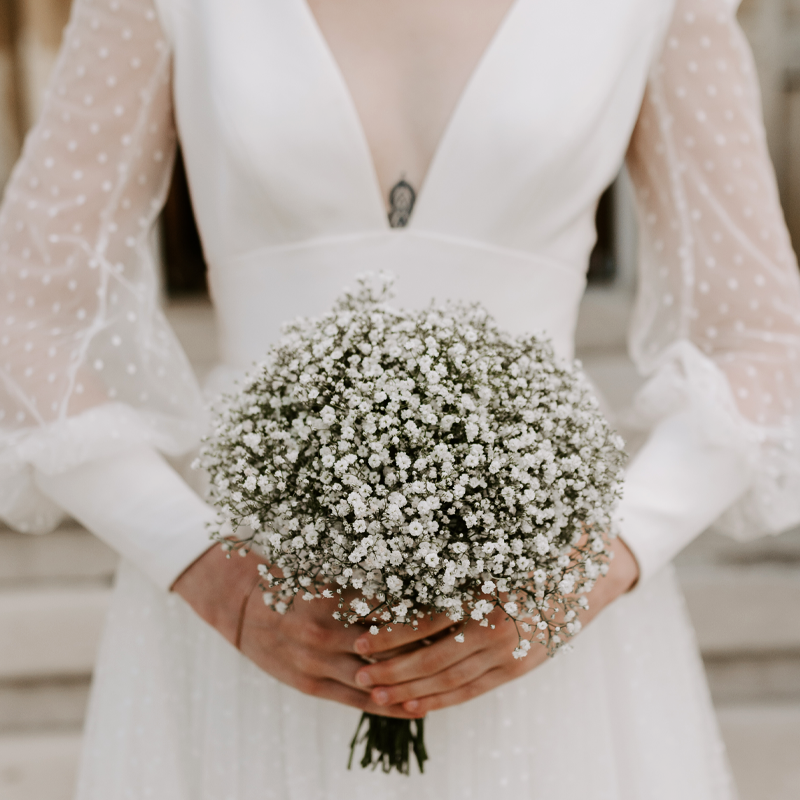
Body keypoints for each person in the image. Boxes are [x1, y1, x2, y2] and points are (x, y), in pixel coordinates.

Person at [1, 0, 799, 796]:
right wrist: (203, 569)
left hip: (544, 619)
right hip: (250, 605)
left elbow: (761, 339)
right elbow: (25, 318)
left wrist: (599, 565)